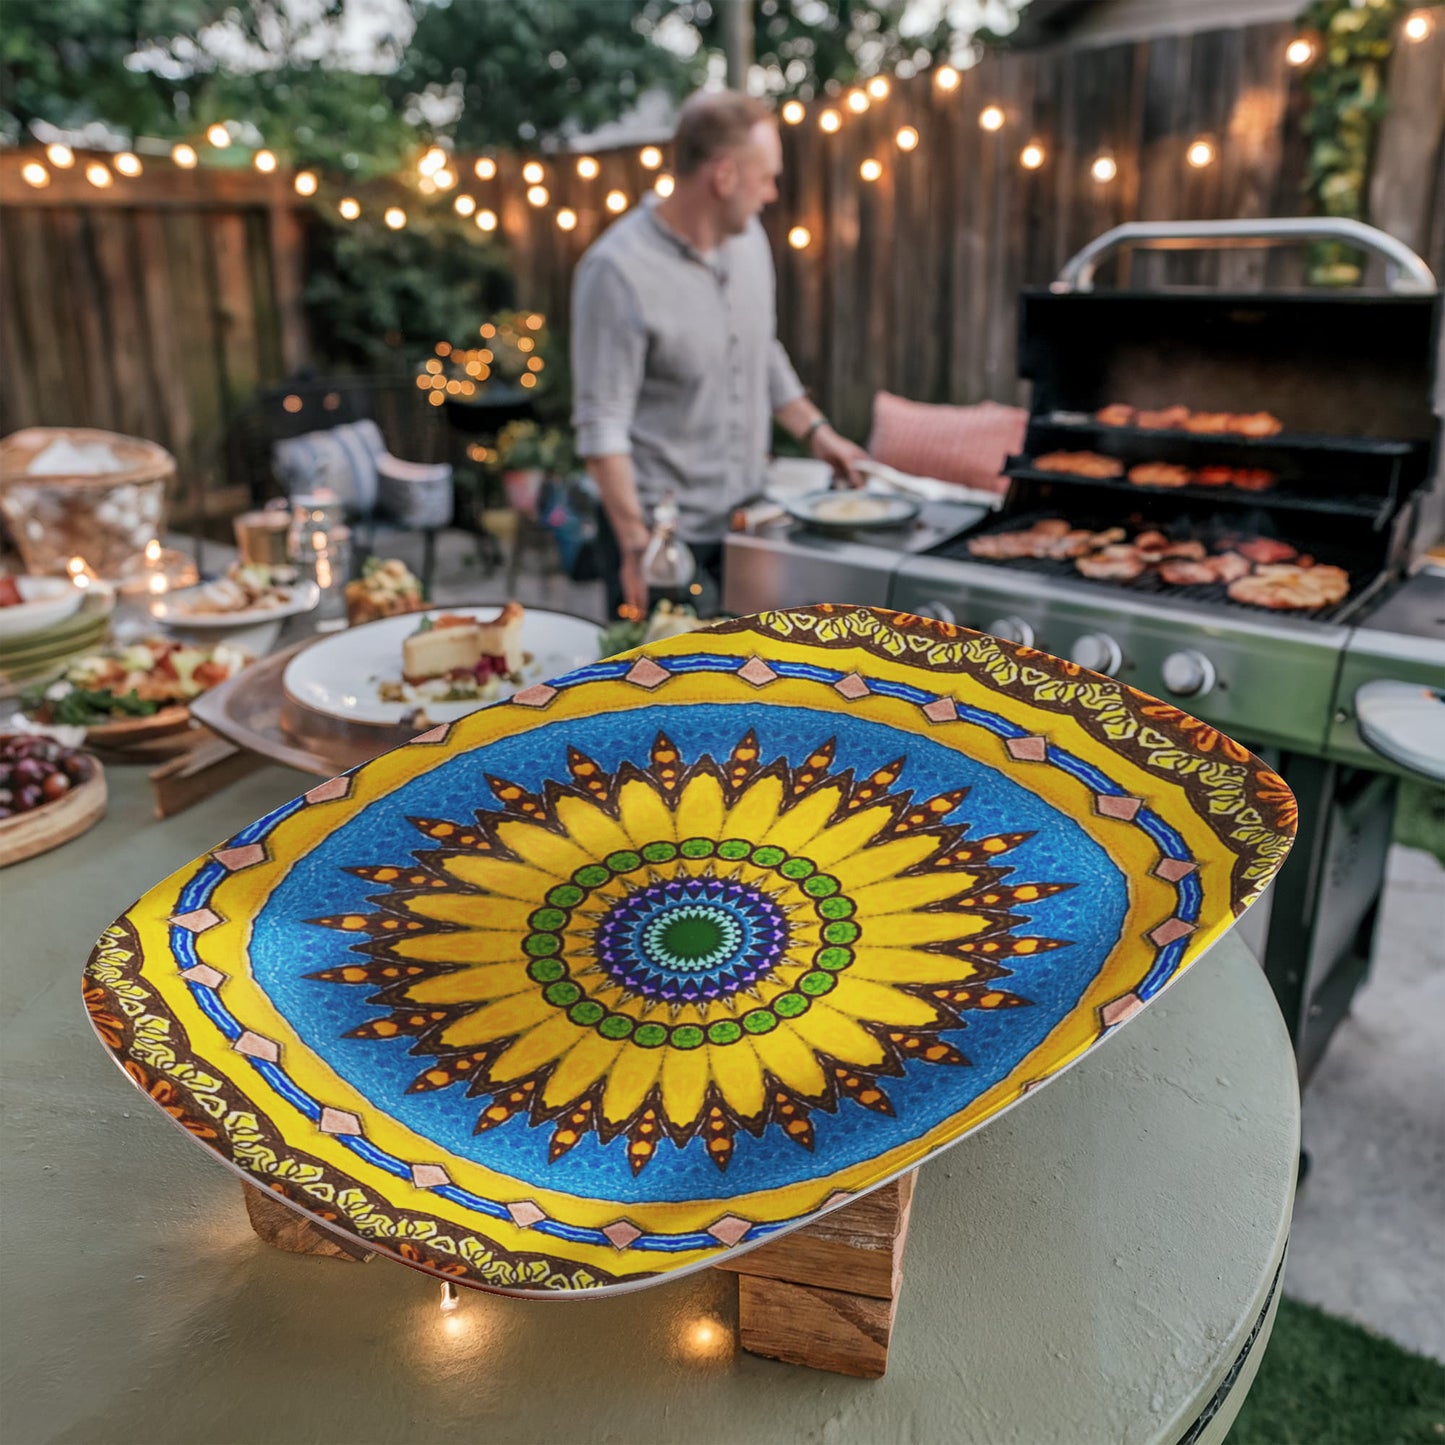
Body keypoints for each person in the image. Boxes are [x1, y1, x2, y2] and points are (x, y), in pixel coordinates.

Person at [571, 89, 867, 618]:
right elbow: (601, 428)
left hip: (745, 529)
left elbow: (761, 346)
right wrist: (638, 549)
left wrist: (818, 433)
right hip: (660, 545)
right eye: (766, 177)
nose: (773, 193)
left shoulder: (751, 240)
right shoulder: (616, 272)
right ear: (723, 176)